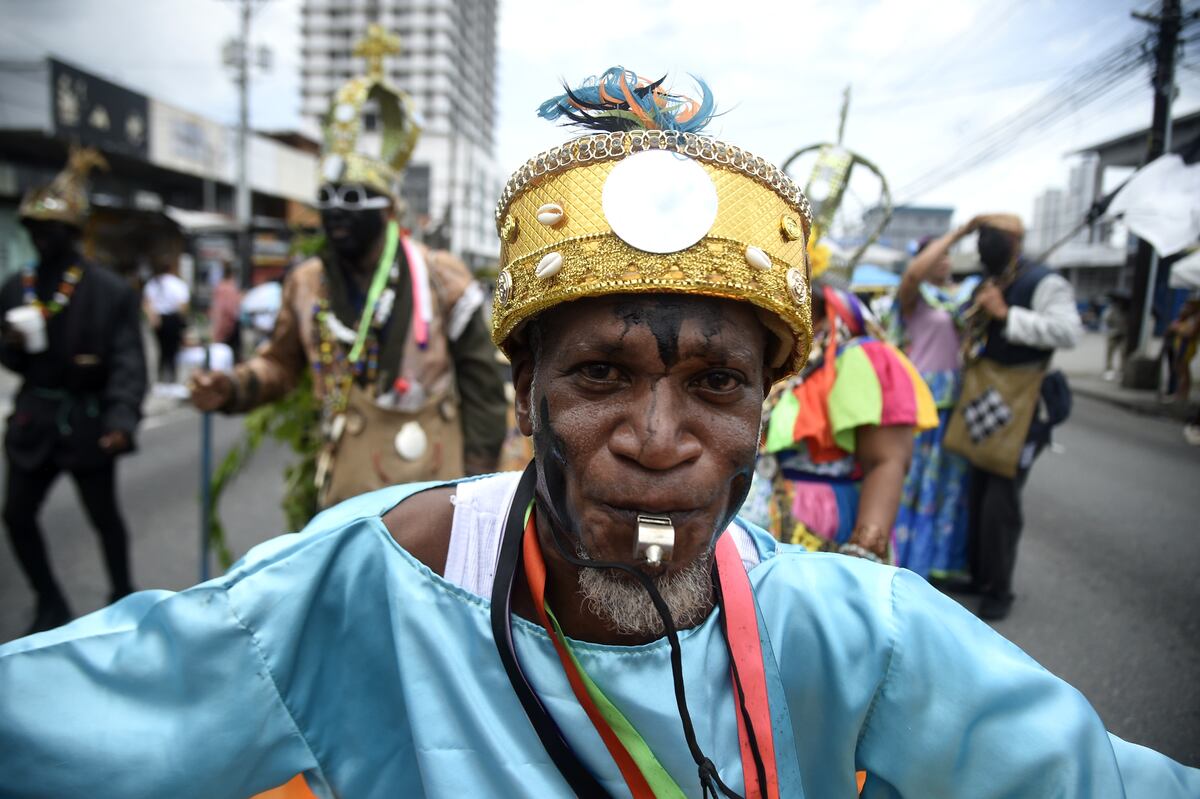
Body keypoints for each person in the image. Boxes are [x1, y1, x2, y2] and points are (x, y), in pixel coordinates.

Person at [2, 69, 1197, 799]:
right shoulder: (365, 584)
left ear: (768, 409)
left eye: (717, 385)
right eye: (599, 374)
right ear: (525, 391)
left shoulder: (849, 635)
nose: (658, 438)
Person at [189, 26, 506, 505]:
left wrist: (480, 487)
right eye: (328, 198)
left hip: (434, 476)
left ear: (388, 210)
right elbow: (280, 363)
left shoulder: (441, 277)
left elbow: (482, 385)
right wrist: (233, 387)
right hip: (348, 476)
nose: (338, 210)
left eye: (355, 198)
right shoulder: (306, 284)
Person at [0, 147, 146, 635]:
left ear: (73, 234)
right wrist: (11, 344)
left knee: (104, 518)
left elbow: (129, 361)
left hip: (88, 419)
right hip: (34, 417)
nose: (43, 240)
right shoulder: (17, 288)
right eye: (35, 231)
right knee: (16, 514)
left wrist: (121, 419)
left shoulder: (109, 291)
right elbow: (13, 360)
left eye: (53, 231)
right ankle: (49, 599)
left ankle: (124, 599)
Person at [741, 282, 938, 564]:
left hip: (823, 526)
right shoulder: (771, 356)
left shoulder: (859, 357)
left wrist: (864, 552)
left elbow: (887, 461)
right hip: (759, 526)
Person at [953, 213, 1081, 621]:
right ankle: (978, 574)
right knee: (976, 491)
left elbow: (1068, 332)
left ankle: (1000, 588)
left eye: (990, 238)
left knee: (1001, 501)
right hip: (987, 395)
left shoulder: (1045, 282)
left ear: (1014, 241)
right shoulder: (994, 279)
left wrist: (1007, 314)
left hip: (1025, 403)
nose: (982, 246)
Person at [886, 229, 980, 578]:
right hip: (919, 401)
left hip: (953, 401)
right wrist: (961, 229)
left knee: (947, 485)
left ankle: (940, 561)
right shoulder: (913, 296)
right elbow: (913, 274)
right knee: (914, 483)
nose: (945, 259)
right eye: (938, 254)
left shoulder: (963, 298)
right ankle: (907, 562)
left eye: (949, 254)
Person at [142, 259, 190, 384]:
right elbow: (182, 305)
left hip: (159, 318)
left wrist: (152, 318)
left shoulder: (153, 283)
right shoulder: (177, 283)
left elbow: (147, 303)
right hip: (172, 319)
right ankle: (171, 376)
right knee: (173, 350)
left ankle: (161, 376)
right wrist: (182, 321)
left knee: (162, 349)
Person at [209, 262, 243, 360]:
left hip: (224, 327)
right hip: (230, 326)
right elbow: (230, 310)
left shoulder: (221, 288)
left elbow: (220, 311)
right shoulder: (231, 288)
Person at [1102, 291, 1129, 381]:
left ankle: (1122, 370)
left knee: (1123, 352)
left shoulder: (1129, 310)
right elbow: (1107, 320)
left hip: (1125, 334)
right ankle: (1109, 369)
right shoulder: (1113, 309)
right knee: (1110, 351)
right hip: (1114, 333)